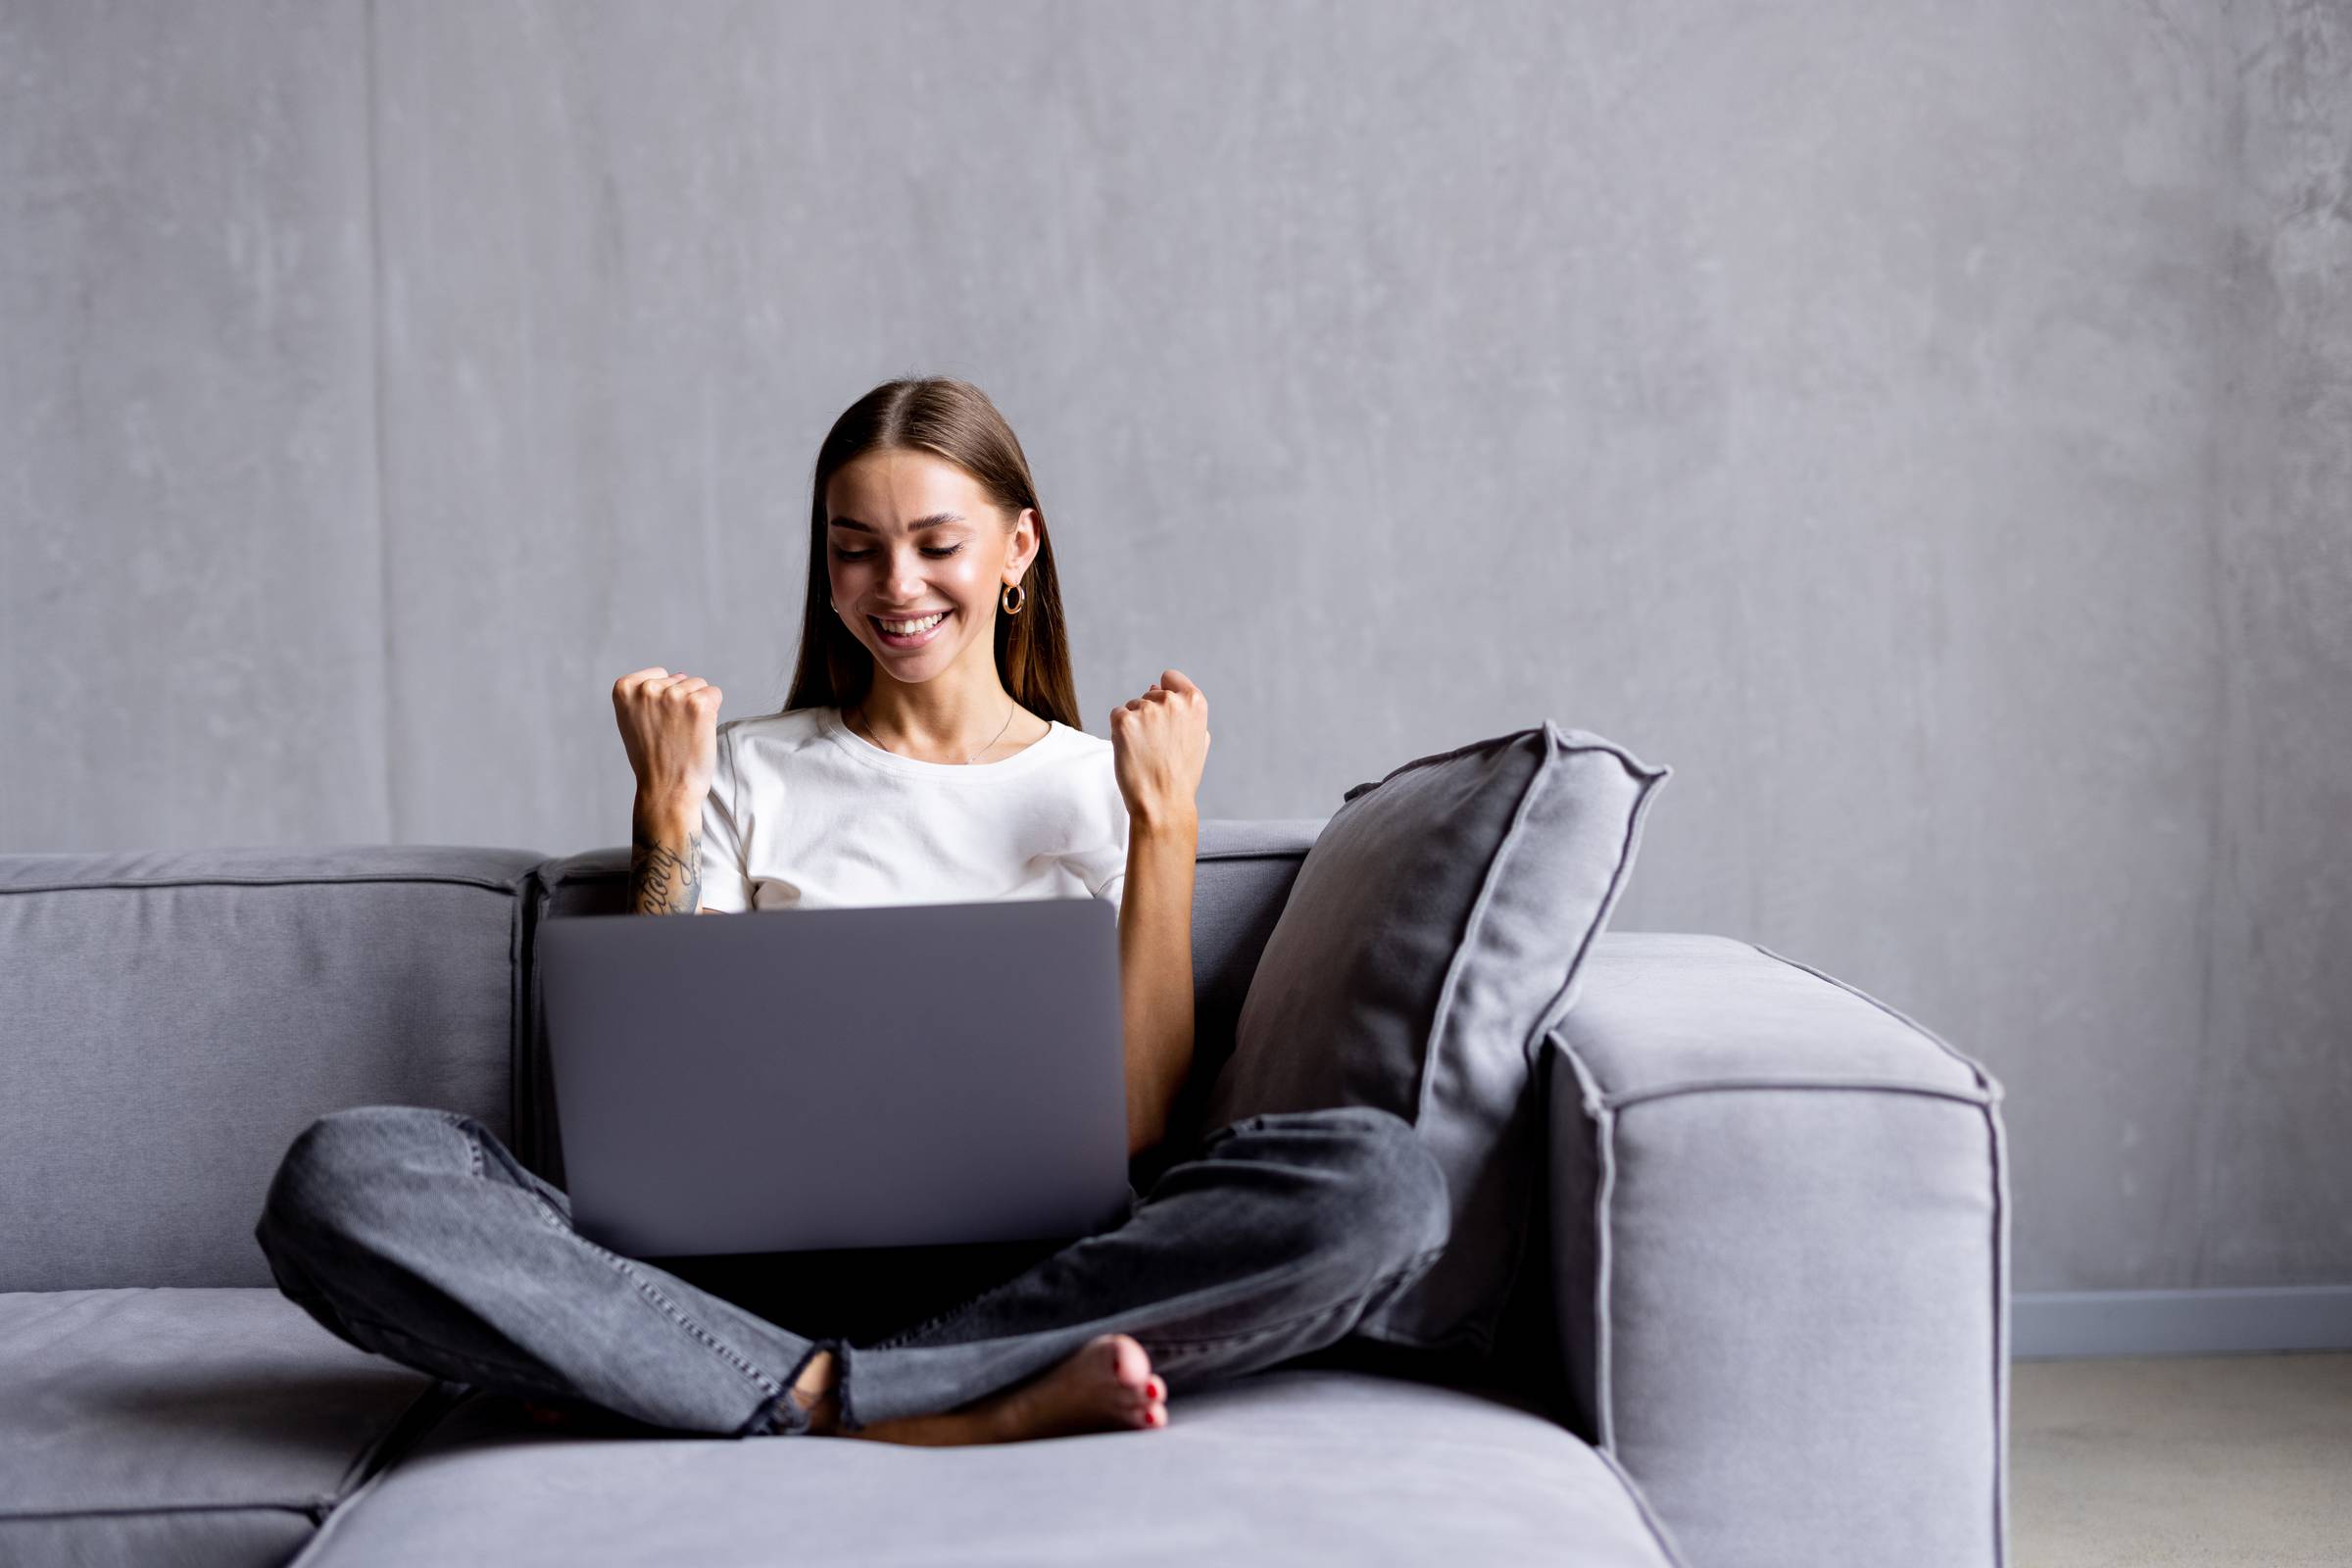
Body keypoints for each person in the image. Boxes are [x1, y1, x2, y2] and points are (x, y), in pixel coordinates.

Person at [253, 375, 1449, 1446]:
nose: (897, 587)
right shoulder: (746, 769)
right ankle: (909, 1399)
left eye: (938, 544)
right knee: (344, 1174)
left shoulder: (1106, 785)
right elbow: (670, 1114)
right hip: (738, 1278)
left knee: (1378, 1185)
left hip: (1034, 1265)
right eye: (857, 550)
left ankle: (759, 1392)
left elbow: (1139, 1122)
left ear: (1019, 548)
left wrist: (1166, 824)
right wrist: (666, 812)